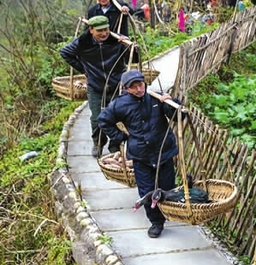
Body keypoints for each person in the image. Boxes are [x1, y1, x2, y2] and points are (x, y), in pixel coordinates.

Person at [98, 70, 182, 239]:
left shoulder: (155, 97)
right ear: (126, 89)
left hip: (163, 151)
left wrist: (171, 102)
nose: (139, 89)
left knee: (166, 187)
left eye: (140, 84)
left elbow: (178, 115)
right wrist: (121, 137)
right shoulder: (119, 105)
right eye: (133, 87)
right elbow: (103, 120)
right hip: (140, 156)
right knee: (147, 191)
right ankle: (156, 222)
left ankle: (168, 214)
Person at [59, 15, 132, 157]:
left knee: (118, 116)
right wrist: (85, 69)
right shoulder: (83, 42)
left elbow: (134, 56)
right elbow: (65, 52)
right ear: (91, 30)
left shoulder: (116, 39)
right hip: (95, 86)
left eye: (106, 29)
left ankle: (115, 145)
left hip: (117, 84)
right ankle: (98, 143)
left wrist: (127, 46)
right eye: (100, 31)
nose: (104, 33)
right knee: (98, 118)